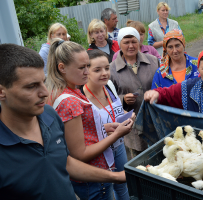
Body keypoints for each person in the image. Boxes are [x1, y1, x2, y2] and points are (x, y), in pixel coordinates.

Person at [0, 43, 128, 200]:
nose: (44, 92)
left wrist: (117, 176)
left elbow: (66, 162)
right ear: (2, 92)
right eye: (31, 86)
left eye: (43, 82)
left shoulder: (49, 115)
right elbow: (79, 154)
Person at [45, 39, 133, 200]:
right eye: (81, 67)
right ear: (62, 68)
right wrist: (116, 135)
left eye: (87, 66)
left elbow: (74, 132)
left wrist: (104, 127)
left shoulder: (64, 90)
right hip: (93, 179)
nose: (87, 71)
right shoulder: (69, 101)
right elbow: (80, 154)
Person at [82, 50, 131, 200]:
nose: (104, 73)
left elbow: (116, 109)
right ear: (86, 71)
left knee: (123, 185)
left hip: (119, 145)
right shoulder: (82, 98)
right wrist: (108, 131)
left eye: (106, 68)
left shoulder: (109, 85)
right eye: (97, 70)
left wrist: (128, 116)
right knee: (107, 192)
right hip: (100, 154)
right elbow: (82, 133)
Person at [111, 27, 160, 158]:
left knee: (160, 155)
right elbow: (107, 97)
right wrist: (122, 99)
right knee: (140, 161)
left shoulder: (153, 61)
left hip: (155, 120)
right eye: (126, 42)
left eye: (134, 41)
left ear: (139, 42)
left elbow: (162, 84)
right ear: (119, 44)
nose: (131, 46)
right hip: (131, 126)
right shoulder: (112, 69)